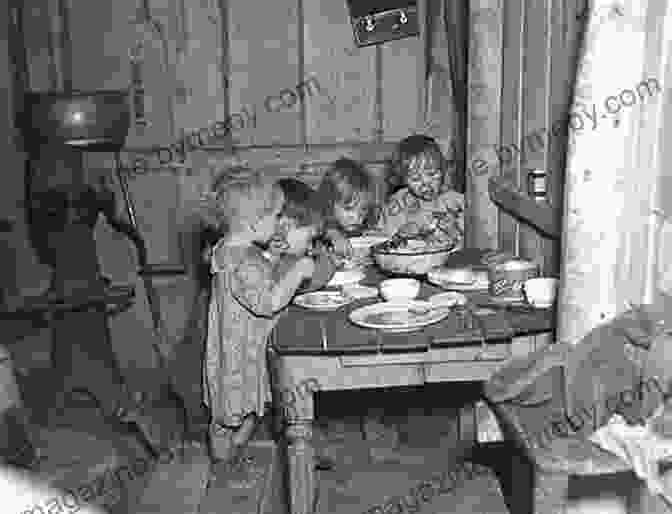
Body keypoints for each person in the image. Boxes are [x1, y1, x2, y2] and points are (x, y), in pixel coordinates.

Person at [200, 169, 317, 463]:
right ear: (254, 223)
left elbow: (252, 279)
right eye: (276, 216)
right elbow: (269, 301)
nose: (280, 224)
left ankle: (230, 453)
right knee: (234, 415)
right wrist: (298, 272)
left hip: (233, 348)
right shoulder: (244, 262)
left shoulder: (229, 249)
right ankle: (223, 464)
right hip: (243, 355)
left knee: (241, 412)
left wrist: (272, 259)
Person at [378, 135, 464, 248]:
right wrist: (400, 235)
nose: (426, 183)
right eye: (415, 179)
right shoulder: (396, 205)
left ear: (443, 170)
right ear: (402, 179)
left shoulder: (457, 202)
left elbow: (473, 241)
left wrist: (454, 231)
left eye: (432, 174)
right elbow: (381, 243)